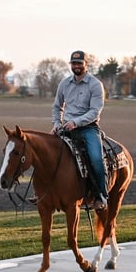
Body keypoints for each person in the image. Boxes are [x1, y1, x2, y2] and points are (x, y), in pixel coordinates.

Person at [51, 50, 108, 210]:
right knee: (45, 152)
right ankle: (45, 193)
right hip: (65, 127)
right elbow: (57, 106)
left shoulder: (95, 85)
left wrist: (75, 122)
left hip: (88, 128)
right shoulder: (64, 84)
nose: (76, 66)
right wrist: (56, 123)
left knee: (96, 159)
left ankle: (101, 196)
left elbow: (95, 111)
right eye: (73, 63)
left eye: (79, 63)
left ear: (86, 64)